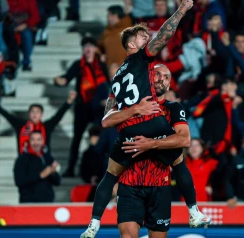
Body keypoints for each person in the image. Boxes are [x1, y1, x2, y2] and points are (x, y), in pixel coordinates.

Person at [82, 63, 210, 237]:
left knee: (178, 158)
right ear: (148, 76)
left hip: (160, 187)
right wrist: (134, 109)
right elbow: (106, 121)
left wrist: (149, 144)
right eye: (158, 74)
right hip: (129, 186)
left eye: (166, 78)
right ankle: (94, 221)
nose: (161, 80)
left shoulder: (173, 108)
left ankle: (194, 210)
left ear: (170, 84)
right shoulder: (129, 103)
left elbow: (185, 139)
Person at [54, 36, 109, 177]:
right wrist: (59, 81)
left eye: (90, 46)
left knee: (100, 138)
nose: (88, 49)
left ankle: (99, 169)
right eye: (85, 46)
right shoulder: (78, 64)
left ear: (94, 49)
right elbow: (66, 79)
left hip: (98, 108)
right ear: (83, 49)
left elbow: (110, 83)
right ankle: (71, 168)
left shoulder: (101, 65)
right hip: (82, 107)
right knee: (77, 139)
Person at [0, 90, 76, 154]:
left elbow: (59, 115)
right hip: (24, 164)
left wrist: (69, 101)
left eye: (37, 112)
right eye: (32, 112)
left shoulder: (47, 126)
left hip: (42, 163)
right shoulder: (20, 125)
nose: (35, 114)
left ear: (41, 115)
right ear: (29, 114)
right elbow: (6, 114)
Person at [13, 131, 61, 203]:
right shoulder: (21, 159)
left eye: (39, 139)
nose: (36, 143)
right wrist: (40, 175)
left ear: (43, 141)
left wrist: (53, 173)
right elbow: (19, 181)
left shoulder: (47, 157)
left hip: (48, 202)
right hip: (28, 203)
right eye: (33, 139)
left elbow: (57, 182)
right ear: (29, 142)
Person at [6, 0, 40, 71]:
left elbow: (35, 15)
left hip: (25, 23)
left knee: (26, 35)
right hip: (9, 22)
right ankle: (10, 63)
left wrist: (26, 25)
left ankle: (26, 62)